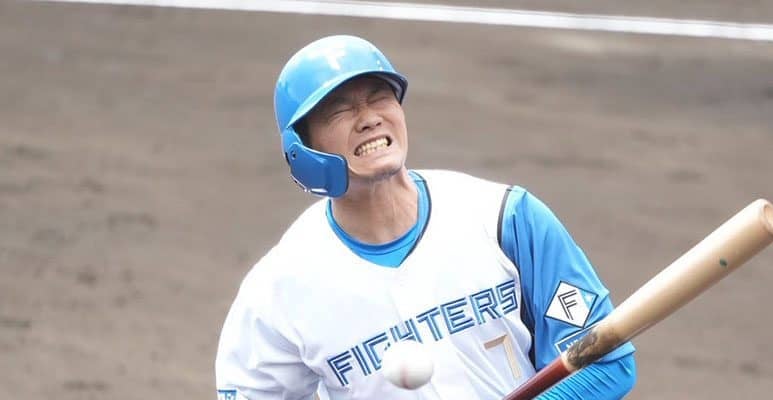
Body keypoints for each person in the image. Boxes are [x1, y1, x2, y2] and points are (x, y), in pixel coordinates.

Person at [215, 35, 636, 400]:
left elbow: (606, 364)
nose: (369, 118)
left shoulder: (504, 219)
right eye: (339, 111)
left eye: (379, 97)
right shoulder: (279, 290)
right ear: (304, 149)